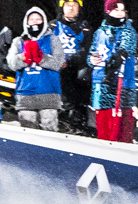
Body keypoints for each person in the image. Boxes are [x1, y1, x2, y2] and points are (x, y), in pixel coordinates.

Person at [6, 7, 64, 131]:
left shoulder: (53, 39)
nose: (35, 22)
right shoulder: (18, 41)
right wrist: (23, 57)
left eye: (38, 19)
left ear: (44, 21)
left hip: (49, 92)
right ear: (26, 22)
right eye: (31, 19)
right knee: (27, 131)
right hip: (25, 93)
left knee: (50, 131)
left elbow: (58, 63)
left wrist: (41, 58)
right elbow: (11, 64)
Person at [89, 0, 138, 142]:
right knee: (104, 126)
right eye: (116, 10)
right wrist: (91, 60)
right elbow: (92, 52)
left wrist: (116, 60)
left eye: (122, 10)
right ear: (108, 12)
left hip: (122, 83)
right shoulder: (99, 32)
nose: (120, 13)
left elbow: (125, 49)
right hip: (101, 83)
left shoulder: (128, 30)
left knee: (122, 128)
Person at [52, 0, 92, 128]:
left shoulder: (85, 27)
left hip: (76, 69)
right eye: (68, 5)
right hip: (56, 67)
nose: (71, 8)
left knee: (83, 75)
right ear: (62, 8)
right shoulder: (53, 26)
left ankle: (77, 115)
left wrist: (70, 60)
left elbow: (87, 49)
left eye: (74, 5)